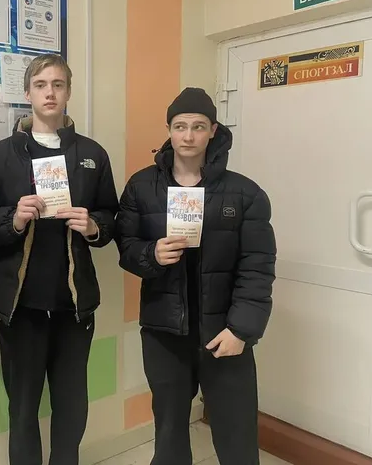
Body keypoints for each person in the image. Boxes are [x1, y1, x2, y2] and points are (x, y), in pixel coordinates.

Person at [115, 87, 277, 465]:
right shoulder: (142, 186)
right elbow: (126, 247)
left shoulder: (245, 194)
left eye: (199, 127)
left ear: (213, 131)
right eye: (180, 126)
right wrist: (151, 254)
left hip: (224, 332)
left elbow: (257, 267)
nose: (188, 136)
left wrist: (242, 330)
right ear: (169, 130)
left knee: (236, 434)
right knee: (169, 431)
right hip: (164, 333)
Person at [0, 53, 119, 465]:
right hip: (20, 308)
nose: (49, 93)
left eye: (57, 84)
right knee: (22, 410)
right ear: (27, 93)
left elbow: (112, 216)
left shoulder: (92, 154)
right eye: (40, 85)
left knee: (72, 406)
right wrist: (14, 219)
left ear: (69, 91)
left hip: (74, 306)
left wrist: (93, 226)